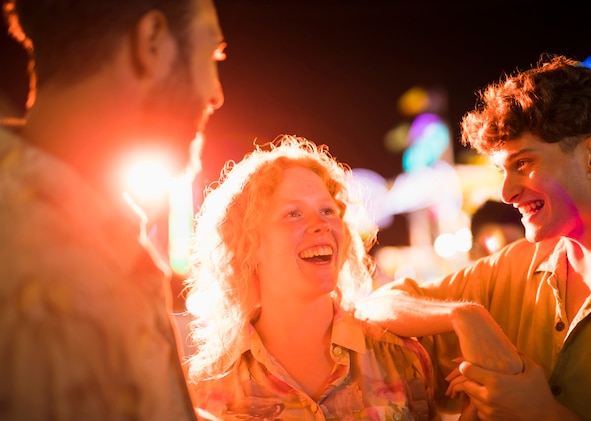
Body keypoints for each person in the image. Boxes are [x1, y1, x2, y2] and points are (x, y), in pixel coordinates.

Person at [356, 54, 591, 421]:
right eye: (501, 169)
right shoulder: (514, 267)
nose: (506, 192)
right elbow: (377, 305)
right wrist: (462, 314)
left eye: (523, 164)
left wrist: (541, 412)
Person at [0, 0, 225, 420]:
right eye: (213, 55)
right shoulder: (41, 263)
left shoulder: (109, 237)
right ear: (152, 41)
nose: (216, 94)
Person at [183, 135, 441, 420]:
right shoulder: (205, 386)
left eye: (327, 210)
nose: (321, 225)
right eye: (293, 214)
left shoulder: (401, 359)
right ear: (249, 244)